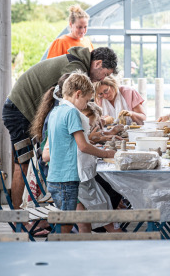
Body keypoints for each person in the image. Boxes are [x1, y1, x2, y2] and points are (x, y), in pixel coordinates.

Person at [2, 46, 118, 210]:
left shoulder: (78, 63)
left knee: (36, 159)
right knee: (22, 163)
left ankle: (42, 213)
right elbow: (73, 109)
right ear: (98, 63)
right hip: (20, 108)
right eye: (105, 74)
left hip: (24, 108)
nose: (102, 79)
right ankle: (17, 217)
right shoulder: (76, 69)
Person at [46, 71, 116, 233]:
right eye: (86, 100)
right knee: (66, 224)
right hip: (67, 177)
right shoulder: (71, 113)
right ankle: (51, 253)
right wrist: (106, 154)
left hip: (56, 176)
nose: (86, 105)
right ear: (78, 94)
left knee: (68, 222)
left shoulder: (56, 111)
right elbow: (83, 146)